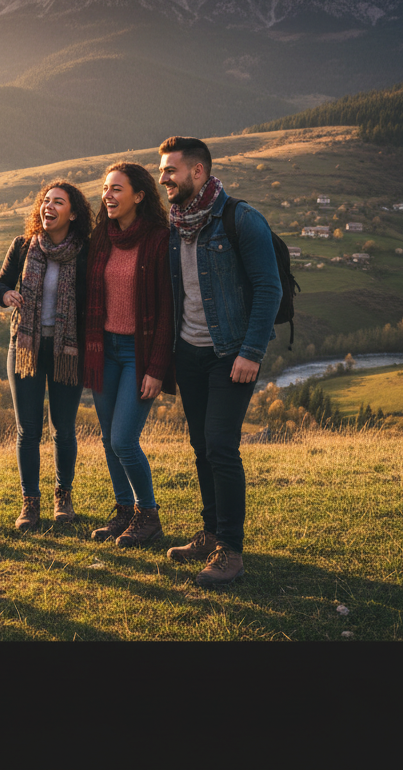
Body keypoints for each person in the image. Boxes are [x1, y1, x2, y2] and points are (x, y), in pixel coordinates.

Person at [158, 136, 281, 585]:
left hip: (230, 353)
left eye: (171, 169)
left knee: (221, 447)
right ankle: (210, 534)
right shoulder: (174, 224)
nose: (163, 177)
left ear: (198, 171)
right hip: (188, 353)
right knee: (200, 448)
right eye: (162, 169)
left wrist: (251, 351)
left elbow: (269, 288)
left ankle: (231, 551)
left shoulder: (240, 219)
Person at [0, 181, 92, 530]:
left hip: (67, 351)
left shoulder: (85, 252)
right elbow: (0, 284)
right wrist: (6, 296)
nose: (48, 207)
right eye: (46, 201)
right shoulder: (23, 246)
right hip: (25, 348)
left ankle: (62, 497)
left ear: (73, 213)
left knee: (63, 430)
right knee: (28, 431)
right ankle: (29, 503)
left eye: (58, 202)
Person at [85, 162, 175, 547]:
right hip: (103, 349)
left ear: (139, 196)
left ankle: (148, 515)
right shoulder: (101, 237)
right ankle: (123, 513)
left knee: (124, 439)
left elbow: (169, 310)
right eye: (106, 188)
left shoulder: (158, 240)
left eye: (117, 189)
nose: (108, 195)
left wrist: (157, 368)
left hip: (138, 353)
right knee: (108, 438)